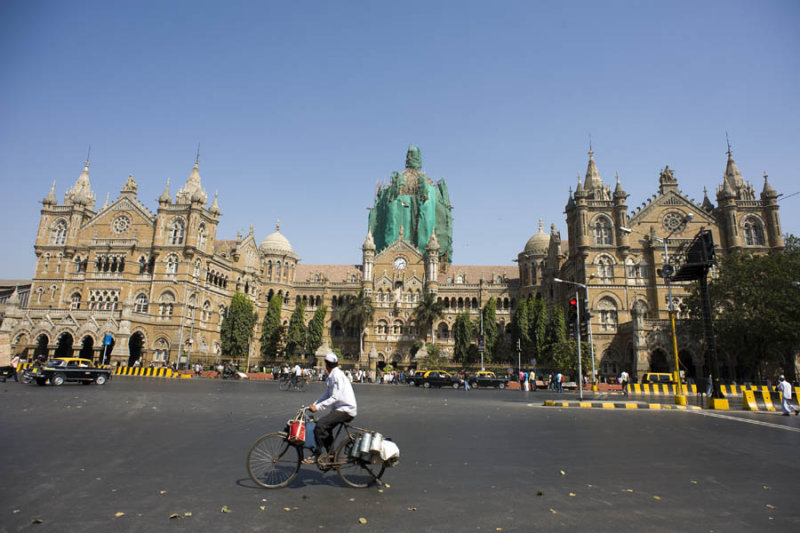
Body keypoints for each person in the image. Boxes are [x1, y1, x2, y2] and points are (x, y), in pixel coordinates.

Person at [306, 353, 357, 464]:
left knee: (320, 425)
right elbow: (326, 394)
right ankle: (332, 457)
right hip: (340, 409)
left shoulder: (336, 375)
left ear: (327, 364)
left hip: (346, 410)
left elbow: (335, 396)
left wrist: (318, 407)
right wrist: (314, 404)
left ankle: (317, 453)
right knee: (326, 429)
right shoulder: (333, 375)